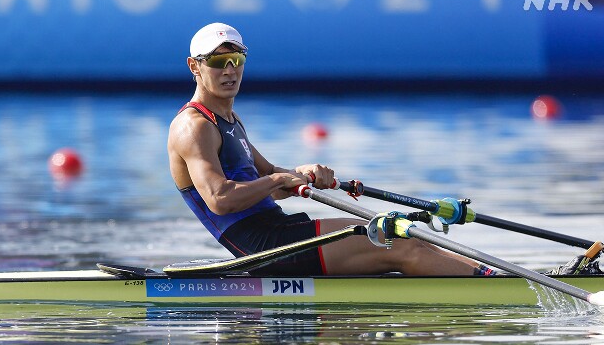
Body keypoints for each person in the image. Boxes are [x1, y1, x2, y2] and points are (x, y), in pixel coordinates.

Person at [167, 22, 495, 276]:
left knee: (413, 235)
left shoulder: (229, 118)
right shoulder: (193, 126)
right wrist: (278, 181)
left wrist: (302, 174)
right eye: (218, 61)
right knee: (399, 243)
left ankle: (490, 275)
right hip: (262, 247)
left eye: (236, 59)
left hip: (279, 229)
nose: (230, 70)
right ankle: (501, 289)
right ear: (194, 67)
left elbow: (268, 178)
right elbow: (220, 199)